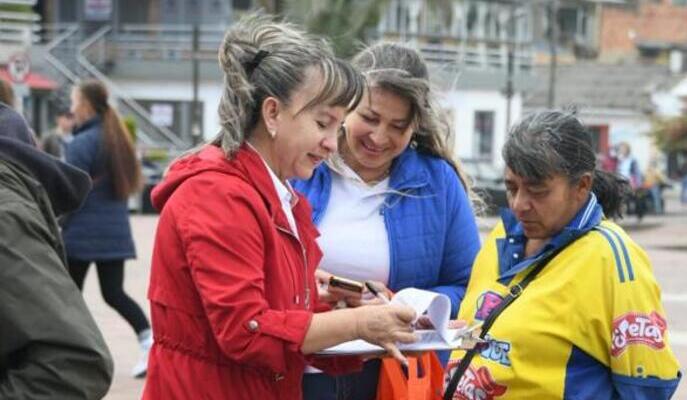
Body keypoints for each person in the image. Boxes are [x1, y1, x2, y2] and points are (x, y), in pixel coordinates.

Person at [142, 13, 417, 400]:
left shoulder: (275, 195)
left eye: (335, 127)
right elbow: (246, 329)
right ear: (272, 113)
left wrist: (361, 320)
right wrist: (357, 323)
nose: (331, 144)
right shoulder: (218, 196)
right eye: (322, 123)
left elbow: (279, 320)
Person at [444, 111, 681, 399]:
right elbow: (494, 336)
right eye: (511, 188)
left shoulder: (612, 258)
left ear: (581, 186)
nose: (519, 205)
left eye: (537, 191)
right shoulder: (502, 236)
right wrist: (443, 332)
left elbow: (649, 388)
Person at [293, 42, 482, 400]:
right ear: (345, 106)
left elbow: (469, 286)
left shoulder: (438, 182)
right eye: (370, 118)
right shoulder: (302, 165)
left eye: (398, 126)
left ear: (416, 126)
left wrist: (412, 306)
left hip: (394, 375)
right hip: (301, 368)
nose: (379, 137)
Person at [0, 103, 114, 399]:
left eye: (72, 110)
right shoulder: (111, 139)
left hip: (77, 230)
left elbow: (76, 361)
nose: (69, 117)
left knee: (105, 297)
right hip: (94, 233)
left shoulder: (80, 143)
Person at [61, 79, 153, 378]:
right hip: (114, 232)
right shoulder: (117, 137)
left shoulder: (81, 143)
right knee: (114, 293)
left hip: (82, 234)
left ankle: (75, 355)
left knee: (66, 297)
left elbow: (69, 191)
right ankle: (148, 341)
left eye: (74, 102)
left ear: (86, 105)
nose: (72, 108)